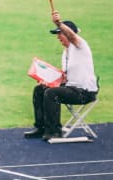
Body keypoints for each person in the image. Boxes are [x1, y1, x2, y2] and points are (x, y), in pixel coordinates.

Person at [24, 11, 98, 140]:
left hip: (84, 92)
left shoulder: (81, 45)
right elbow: (63, 78)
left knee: (52, 94)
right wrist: (47, 81)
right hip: (71, 88)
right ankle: (41, 127)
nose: (58, 37)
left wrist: (59, 23)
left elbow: (72, 36)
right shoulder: (66, 53)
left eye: (60, 33)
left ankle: (54, 131)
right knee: (40, 90)